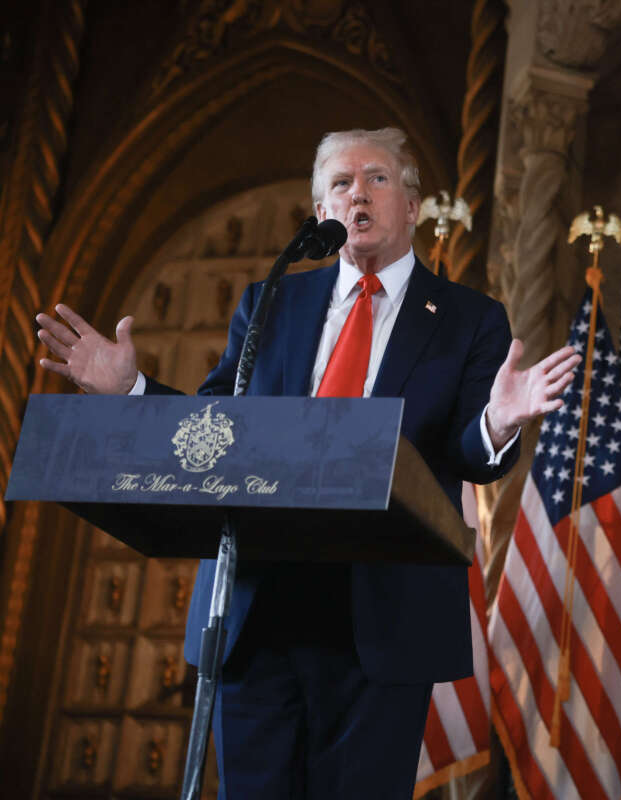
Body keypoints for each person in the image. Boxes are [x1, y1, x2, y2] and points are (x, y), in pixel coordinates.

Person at [35, 127, 580, 798]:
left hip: (381, 620)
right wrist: (133, 391)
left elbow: (468, 452)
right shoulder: (272, 302)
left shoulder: (469, 319)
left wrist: (497, 421)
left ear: (412, 205)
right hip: (257, 608)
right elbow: (216, 430)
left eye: (377, 179)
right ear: (320, 213)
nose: (359, 194)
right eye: (341, 184)